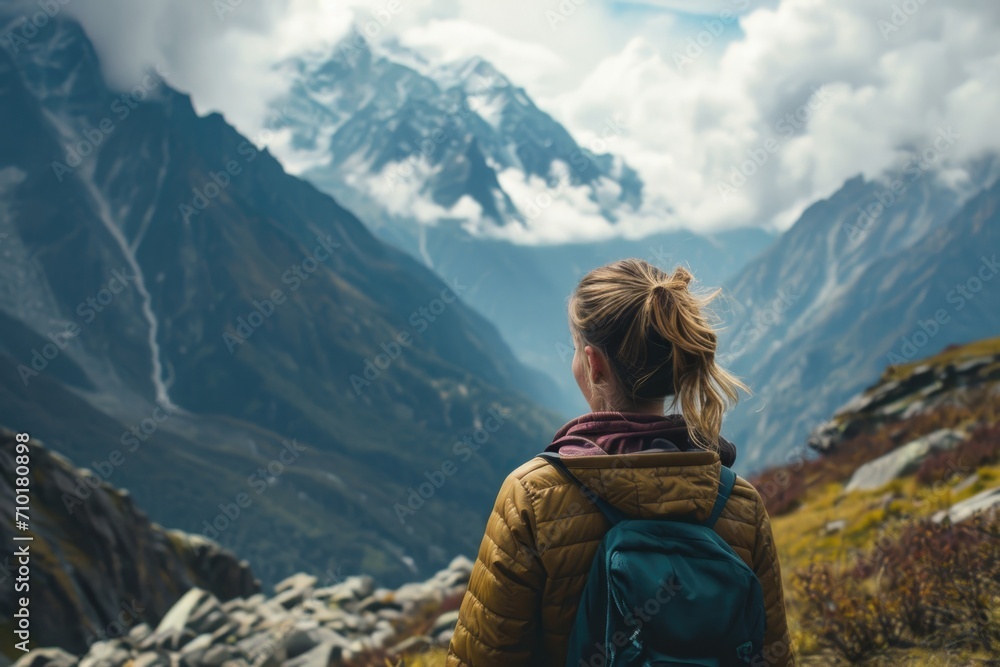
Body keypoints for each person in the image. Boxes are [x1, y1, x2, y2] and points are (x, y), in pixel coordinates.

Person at [446, 259, 795, 666]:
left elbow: (485, 657)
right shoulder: (740, 503)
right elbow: (773, 656)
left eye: (576, 349)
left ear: (593, 364)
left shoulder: (531, 496)